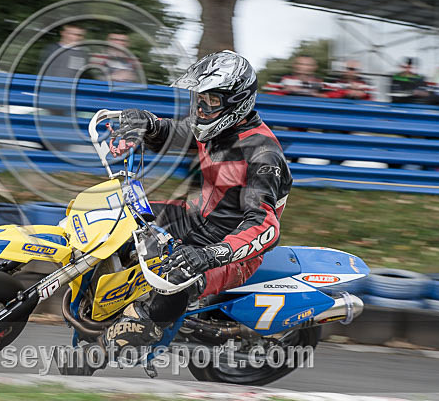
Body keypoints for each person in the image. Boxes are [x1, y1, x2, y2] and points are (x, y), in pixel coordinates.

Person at [72, 51, 292, 372]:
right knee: (118, 218)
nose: (202, 107)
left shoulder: (263, 154)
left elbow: (265, 226)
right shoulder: (215, 128)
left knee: (175, 278)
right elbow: (176, 131)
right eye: (199, 98)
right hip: (195, 218)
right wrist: (146, 123)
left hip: (231, 247)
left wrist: (210, 255)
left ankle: (105, 351)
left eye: (211, 100)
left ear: (238, 102)